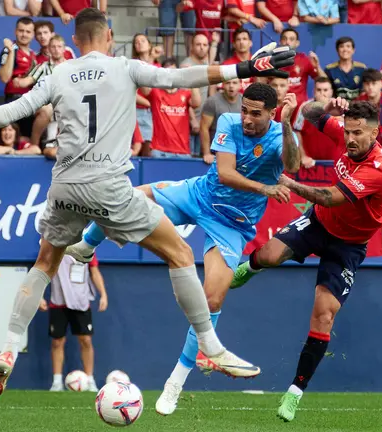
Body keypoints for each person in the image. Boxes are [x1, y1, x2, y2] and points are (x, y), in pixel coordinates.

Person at [0, 7, 296, 398]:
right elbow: (178, 77)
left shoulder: (58, 74)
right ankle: (208, 343)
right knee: (178, 254)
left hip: (64, 188)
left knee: (44, 263)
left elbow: (6, 112)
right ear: (109, 35)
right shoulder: (126, 67)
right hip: (107, 186)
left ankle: (8, 347)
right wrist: (242, 68)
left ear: (75, 40)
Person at [65, 83, 301, 414]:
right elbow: (226, 173)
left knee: (213, 299)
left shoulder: (280, 134)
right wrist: (266, 187)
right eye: (244, 109)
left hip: (233, 225)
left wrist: (289, 126)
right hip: (199, 195)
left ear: (272, 114)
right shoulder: (229, 122)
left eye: (255, 113)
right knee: (128, 197)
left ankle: (174, 384)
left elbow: (292, 164)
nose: (246, 118)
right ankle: (86, 247)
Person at [229, 98, 382, 422]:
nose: (350, 139)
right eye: (347, 131)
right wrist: (326, 105)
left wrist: (289, 183)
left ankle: (293, 394)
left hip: (348, 246)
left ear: (375, 132)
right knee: (268, 254)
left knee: (323, 315)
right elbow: (311, 112)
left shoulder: (379, 169)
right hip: (319, 223)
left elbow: (330, 197)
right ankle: (249, 269)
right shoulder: (342, 133)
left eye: (358, 133)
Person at [39, 254, 108, 392]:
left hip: (81, 302)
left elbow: (94, 272)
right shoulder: (56, 247)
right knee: (57, 342)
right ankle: (57, 382)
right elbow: (43, 271)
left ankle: (89, 380)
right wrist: (39, 296)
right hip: (58, 302)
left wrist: (103, 295)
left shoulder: (87, 247)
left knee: (86, 340)